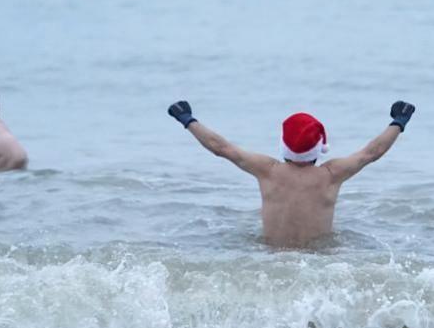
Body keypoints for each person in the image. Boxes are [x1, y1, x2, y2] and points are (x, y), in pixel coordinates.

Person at [167, 100, 416, 247]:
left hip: (271, 263)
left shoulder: (268, 171)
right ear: (319, 147)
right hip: (318, 264)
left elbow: (221, 148)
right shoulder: (331, 174)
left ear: (283, 144)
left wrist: (188, 120)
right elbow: (371, 153)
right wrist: (399, 122)